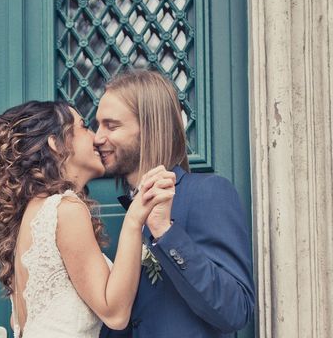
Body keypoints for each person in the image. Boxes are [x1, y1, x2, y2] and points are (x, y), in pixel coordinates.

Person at [0, 100, 175, 338]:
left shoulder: (33, 214)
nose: (96, 138)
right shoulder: (64, 208)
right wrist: (134, 220)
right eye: (84, 127)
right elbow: (115, 314)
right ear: (56, 143)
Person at [95, 69, 255, 338]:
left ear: (149, 128)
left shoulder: (208, 193)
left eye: (111, 126)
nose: (97, 138)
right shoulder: (131, 211)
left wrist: (165, 233)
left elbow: (236, 310)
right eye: (97, 125)